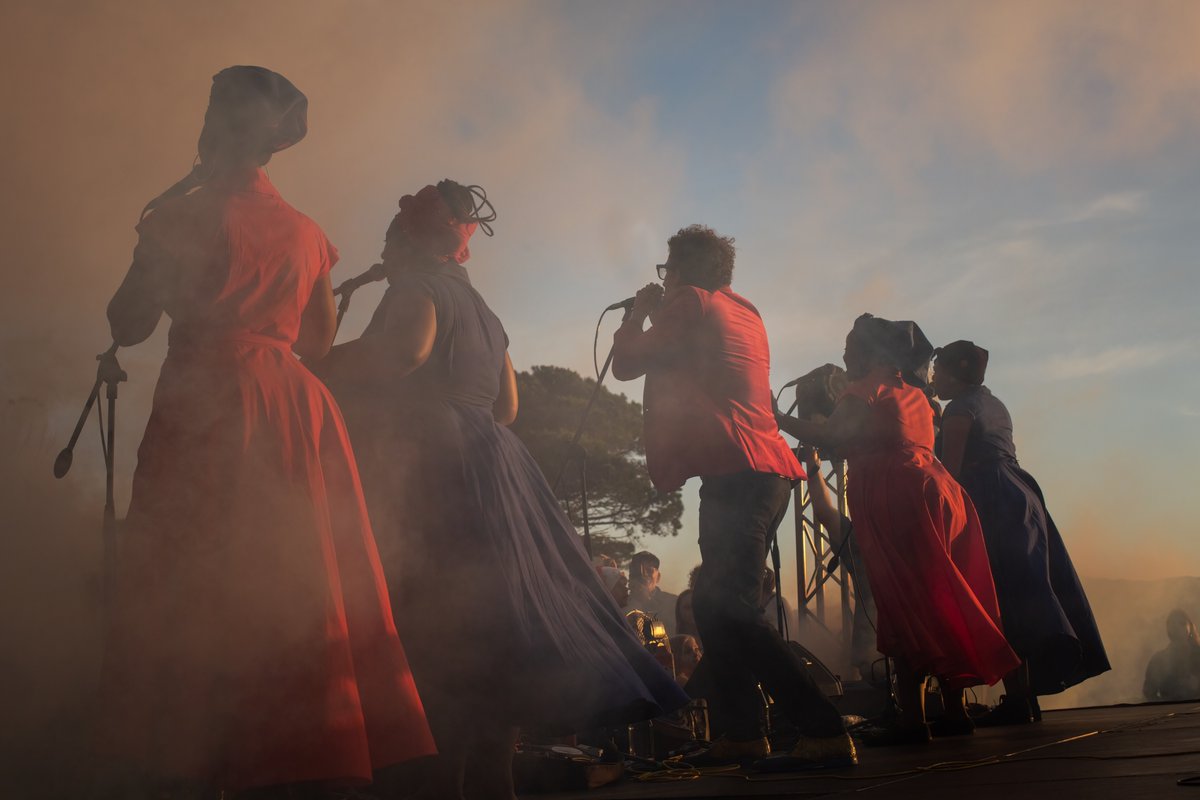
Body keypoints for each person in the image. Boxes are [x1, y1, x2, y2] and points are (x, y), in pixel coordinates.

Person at [100, 66, 434, 797]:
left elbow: (127, 323)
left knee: (196, 574)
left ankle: (193, 755)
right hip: (293, 405)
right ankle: (289, 750)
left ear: (212, 126)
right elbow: (316, 342)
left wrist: (151, 248)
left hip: (209, 397)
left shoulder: (180, 215)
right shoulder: (309, 232)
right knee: (289, 576)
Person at [315, 182, 687, 800]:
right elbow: (507, 408)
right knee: (492, 633)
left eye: (390, 237)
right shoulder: (486, 313)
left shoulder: (417, 288)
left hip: (436, 461)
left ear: (411, 240)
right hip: (496, 463)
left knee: (437, 630)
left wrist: (318, 366)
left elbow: (405, 352)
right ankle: (493, 784)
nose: (382, 249)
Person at [611, 225, 855, 768]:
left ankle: (823, 728)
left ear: (682, 272)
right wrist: (658, 311)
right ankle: (743, 732)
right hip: (755, 475)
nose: (663, 280)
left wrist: (638, 313)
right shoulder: (743, 310)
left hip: (740, 474)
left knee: (732, 609)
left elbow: (626, 363)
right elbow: (690, 360)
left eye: (667, 271)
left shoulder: (690, 303)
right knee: (714, 609)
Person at [776, 314, 1020, 744]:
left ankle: (912, 718)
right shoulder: (916, 393)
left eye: (850, 348)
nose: (845, 355)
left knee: (901, 604)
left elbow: (831, 435)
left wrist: (775, 416)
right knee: (938, 600)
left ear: (869, 353)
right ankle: (954, 710)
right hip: (937, 492)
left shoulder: (866, 389)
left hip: (899, 498)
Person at [933, 340, 1109, 724]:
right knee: (1022, 594)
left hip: (989, 502)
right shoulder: (993, 403)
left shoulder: (958, 410)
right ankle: (1024, 698)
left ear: (953, 374)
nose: (933, 377)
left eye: (938, 371)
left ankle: (1017, 699)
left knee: (999, 596)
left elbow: (950, 472)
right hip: (1019, 496)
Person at [1143, 609, 1200, 701]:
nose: (1177, 627)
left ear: (1190, 627)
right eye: (1172, 624)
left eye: (1182, 623)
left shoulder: (1198, 655)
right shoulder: (1158, 660)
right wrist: (1164, 704)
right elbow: (1149, 692)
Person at [627, 551, 678, 635]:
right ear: (630, 577)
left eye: (649, 571)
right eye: (636, 572)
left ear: (658, 577)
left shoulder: (673, 602)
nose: (643, 576)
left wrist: (646, 601)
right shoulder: (622, 603)